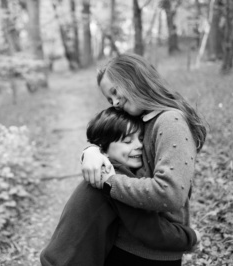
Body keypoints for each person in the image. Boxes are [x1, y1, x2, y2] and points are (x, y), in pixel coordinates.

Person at [81, 53, 207, 265]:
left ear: (134, 78)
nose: (114, 102)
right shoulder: (140, 117)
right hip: (123, 241)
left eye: (114, 92)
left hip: (152, 253)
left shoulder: (170, 122)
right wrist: (92, 150)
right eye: (109, 99)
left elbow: (170, 193)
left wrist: (108, 181)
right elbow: (108, 137)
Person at [40, 107, 198, 266]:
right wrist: (191, 238)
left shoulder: (105, 171)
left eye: (141, 138)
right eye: (127, 141)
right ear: (103, 151)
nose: (139, 146)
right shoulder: (110, 178)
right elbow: (149, 230)